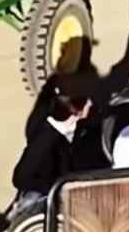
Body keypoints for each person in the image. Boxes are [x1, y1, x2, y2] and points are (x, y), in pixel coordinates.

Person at [11, 75, 100, 212]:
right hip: (42, 202)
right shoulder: (45, 136)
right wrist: (57, 188)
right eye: (86, 100)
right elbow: (21, 177)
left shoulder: (84, 131)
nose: (91, 103)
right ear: (76, 110)